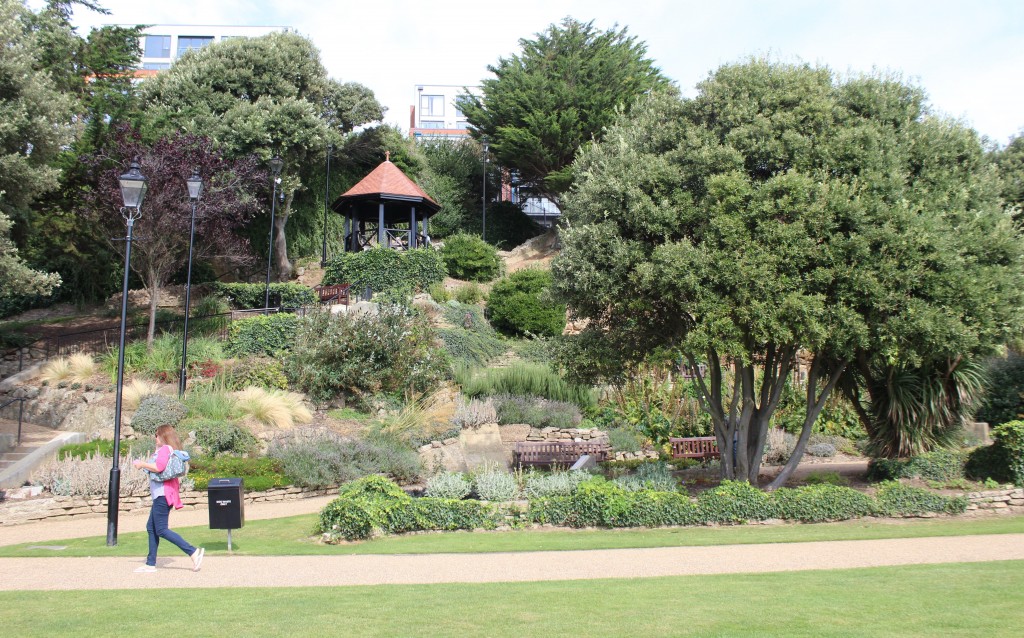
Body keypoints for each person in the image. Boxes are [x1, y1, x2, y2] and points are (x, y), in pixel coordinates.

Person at [132, 424, 204, 573]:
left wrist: (142, 464)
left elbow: (159, 467)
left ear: (163, 436)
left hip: (163, 495)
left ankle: (193, 552)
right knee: (151, 528)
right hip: (162, 494)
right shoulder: (167, 450)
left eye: (156, 435)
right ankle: (150, 563)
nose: (155, 437)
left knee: (161, 529)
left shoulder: (165, 449)